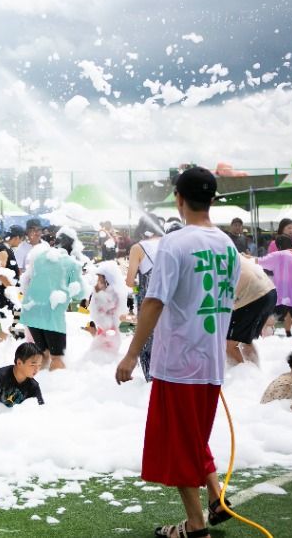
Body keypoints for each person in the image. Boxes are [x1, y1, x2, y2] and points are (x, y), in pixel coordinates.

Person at [115, 166, 240, 538]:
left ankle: (195, 524)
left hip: (179, 362)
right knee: (193, 437)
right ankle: (216, 499)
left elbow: (154, 301)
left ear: (178, 199)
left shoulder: (176, 243)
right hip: (210, 362)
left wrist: (132, 353)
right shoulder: (228, 246)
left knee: (179, 443)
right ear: (213, 200)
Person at [18, 228, 86, 371]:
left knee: (43, 355)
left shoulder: (41, 257)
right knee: (57, 357)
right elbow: (79, 293)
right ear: (72, 247)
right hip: (51, 315)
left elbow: (28, 281)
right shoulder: (72, 263)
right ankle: (56, 390)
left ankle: (40, 384)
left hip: (31, 311)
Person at [126, 216, 164, 381]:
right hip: (170, 298)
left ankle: (151, 379)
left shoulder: (138, 248)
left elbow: (129, 280)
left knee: (147, 338)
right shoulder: (169, 243)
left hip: (148, 298)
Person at [226, 256, 276, 366]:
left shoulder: (207, 257)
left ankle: (243, 380)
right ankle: (254, 377)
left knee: (229, 344)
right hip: (268, 291)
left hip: (252, 296)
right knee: (245, 341)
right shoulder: (227, 250)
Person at [257, 235, 292, 337]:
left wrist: (246, 257)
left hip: (281, 297)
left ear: (279, 246)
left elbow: (259, 261)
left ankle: (267, 346)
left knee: (267, 323)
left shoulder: (279, 255)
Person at [0, 343, 45, 409]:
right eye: (33, 365)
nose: (37, 369)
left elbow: (40, 411)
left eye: (39, 365)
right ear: (19, 363)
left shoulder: (33, 386)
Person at [85, 261, 127, 357]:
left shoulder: (112, 296)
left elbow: (109, 312)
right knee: (96, 356)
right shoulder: (99, 295)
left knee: (104, 357)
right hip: (104, 331)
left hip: (110, 333)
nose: (97, 283)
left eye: (99, 280)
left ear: (106, 281)